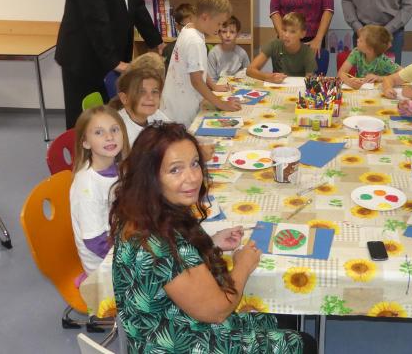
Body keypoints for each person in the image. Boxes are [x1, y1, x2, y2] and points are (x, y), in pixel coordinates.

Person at [110, 123, 313, 353]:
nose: (192, 177)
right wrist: (243, 265)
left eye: (195, 163)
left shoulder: (138, 215)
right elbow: (218, 310)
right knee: (302, 343)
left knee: (282, 318)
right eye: (175, 170)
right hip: (183, 343)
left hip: (165, 328)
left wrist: (210, 242)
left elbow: (173, 272)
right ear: (150, 177)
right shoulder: (164, 243)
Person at [56, 0, 164, 129]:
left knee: (111, 116)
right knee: (85, 120)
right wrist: (115, 63)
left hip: (109, 55)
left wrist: (155, 41)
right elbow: (97, 22)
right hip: (84, 59)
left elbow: (137, 6)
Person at [161, 0, 240, 127]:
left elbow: (197, 68)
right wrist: (222, 104)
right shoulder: (195, 42)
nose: (220, 28)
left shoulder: (189, 28)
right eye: (218, 23)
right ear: (205, 17)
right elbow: (197, 81)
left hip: (173, 103)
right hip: (181, 112)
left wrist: (213, 85)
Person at [70, 105, 129, 276]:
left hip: (123, 239)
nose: (109, 137)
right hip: (105, 266)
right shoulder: (87, 186)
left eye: (114, 130)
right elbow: (95, 242)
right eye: (98, 132)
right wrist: (133, 257)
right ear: (85, 142)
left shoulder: (118, 167)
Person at [247, 12, 317, 83]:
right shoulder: (274, 45)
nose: (286, 35)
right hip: (277, 87)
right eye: (284, 30)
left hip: (298, 87)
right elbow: (249, 70)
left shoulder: (308, 52)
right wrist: (267, 77)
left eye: (292, 32)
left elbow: (310, 81)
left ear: (302, 34)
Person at [114, 66, 171, 146]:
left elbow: (175, 134)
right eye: (141, 92)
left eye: (154, 91)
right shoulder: (117, 129)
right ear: (124, 98)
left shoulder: (156, 115)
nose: (150, 97)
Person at [337, 25, 399, 89]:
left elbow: (402, 74)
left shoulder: (384, 61)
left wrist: (379, 78)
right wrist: (350, 82)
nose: (357, 40)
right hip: (359, 90)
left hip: (377, 92)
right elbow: (340, 73)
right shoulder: (356, 52)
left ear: (369, 49)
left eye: (361, 40)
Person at [208, 16, 250, 81]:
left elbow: (249, 74)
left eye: (232, 32)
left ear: (238, 34)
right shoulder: (213, 53)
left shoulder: (242, 53)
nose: (228, 35)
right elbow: (212, 79)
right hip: (218, 86)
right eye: (224, 32)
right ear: (219, 34)